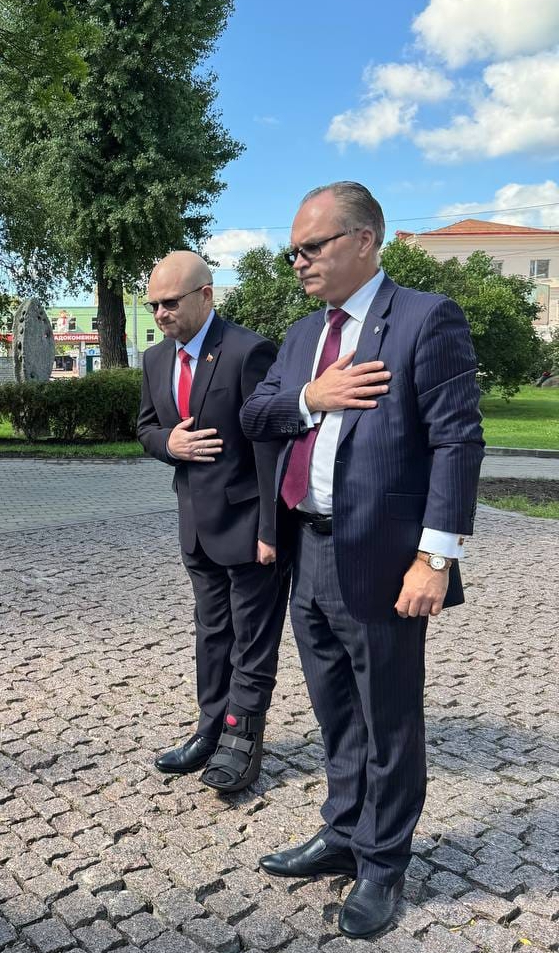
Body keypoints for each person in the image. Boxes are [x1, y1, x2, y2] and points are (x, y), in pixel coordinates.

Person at [240, 182, 484, 939]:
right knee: (336, 710)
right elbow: (255, 413)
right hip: (308, 551)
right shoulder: (301, 337)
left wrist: (435, 558)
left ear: (365, 240)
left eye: (311, 247)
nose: (298, 261)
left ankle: (383, 861)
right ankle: (343, 831)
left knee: (389, 716)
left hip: (382, 558)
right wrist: (312, 397)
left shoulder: (424, 318)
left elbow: (457, 441)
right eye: (293, 251)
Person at [138, 251, 290, 794]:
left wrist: (272, 529)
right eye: (153, 305)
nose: (160, 313)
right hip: (196, 527)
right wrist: (170, 444)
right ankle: (210, 728)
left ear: (206, 295)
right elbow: (146, 428)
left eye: (169, 302)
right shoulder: (156, 359)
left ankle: (242, 740)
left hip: (249, 526)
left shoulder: (249, 351)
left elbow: (271, 445)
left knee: (251, 638)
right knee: (212, 633)